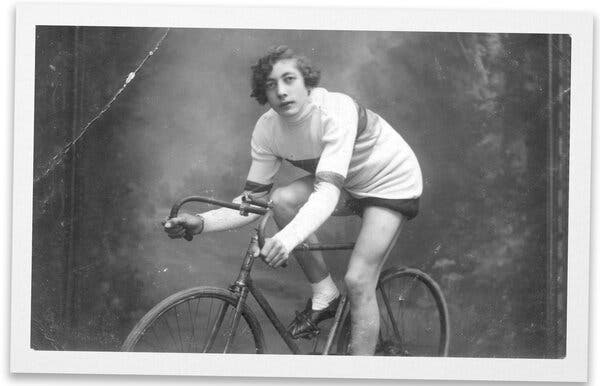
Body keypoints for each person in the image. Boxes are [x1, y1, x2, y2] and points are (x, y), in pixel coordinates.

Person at [163, 46, 422, 355]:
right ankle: (324, 294)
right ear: (263, 92)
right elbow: (255, 202)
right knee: (281, 199)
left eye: (289, 80)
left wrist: (285, 239)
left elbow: (326, 193)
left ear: (307, 82)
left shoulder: (334, 110)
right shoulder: (267, 130)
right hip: (347, 181)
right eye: (272, 85)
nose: (282, 92)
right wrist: (202, 222)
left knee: (357, 280)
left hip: (389, 182)